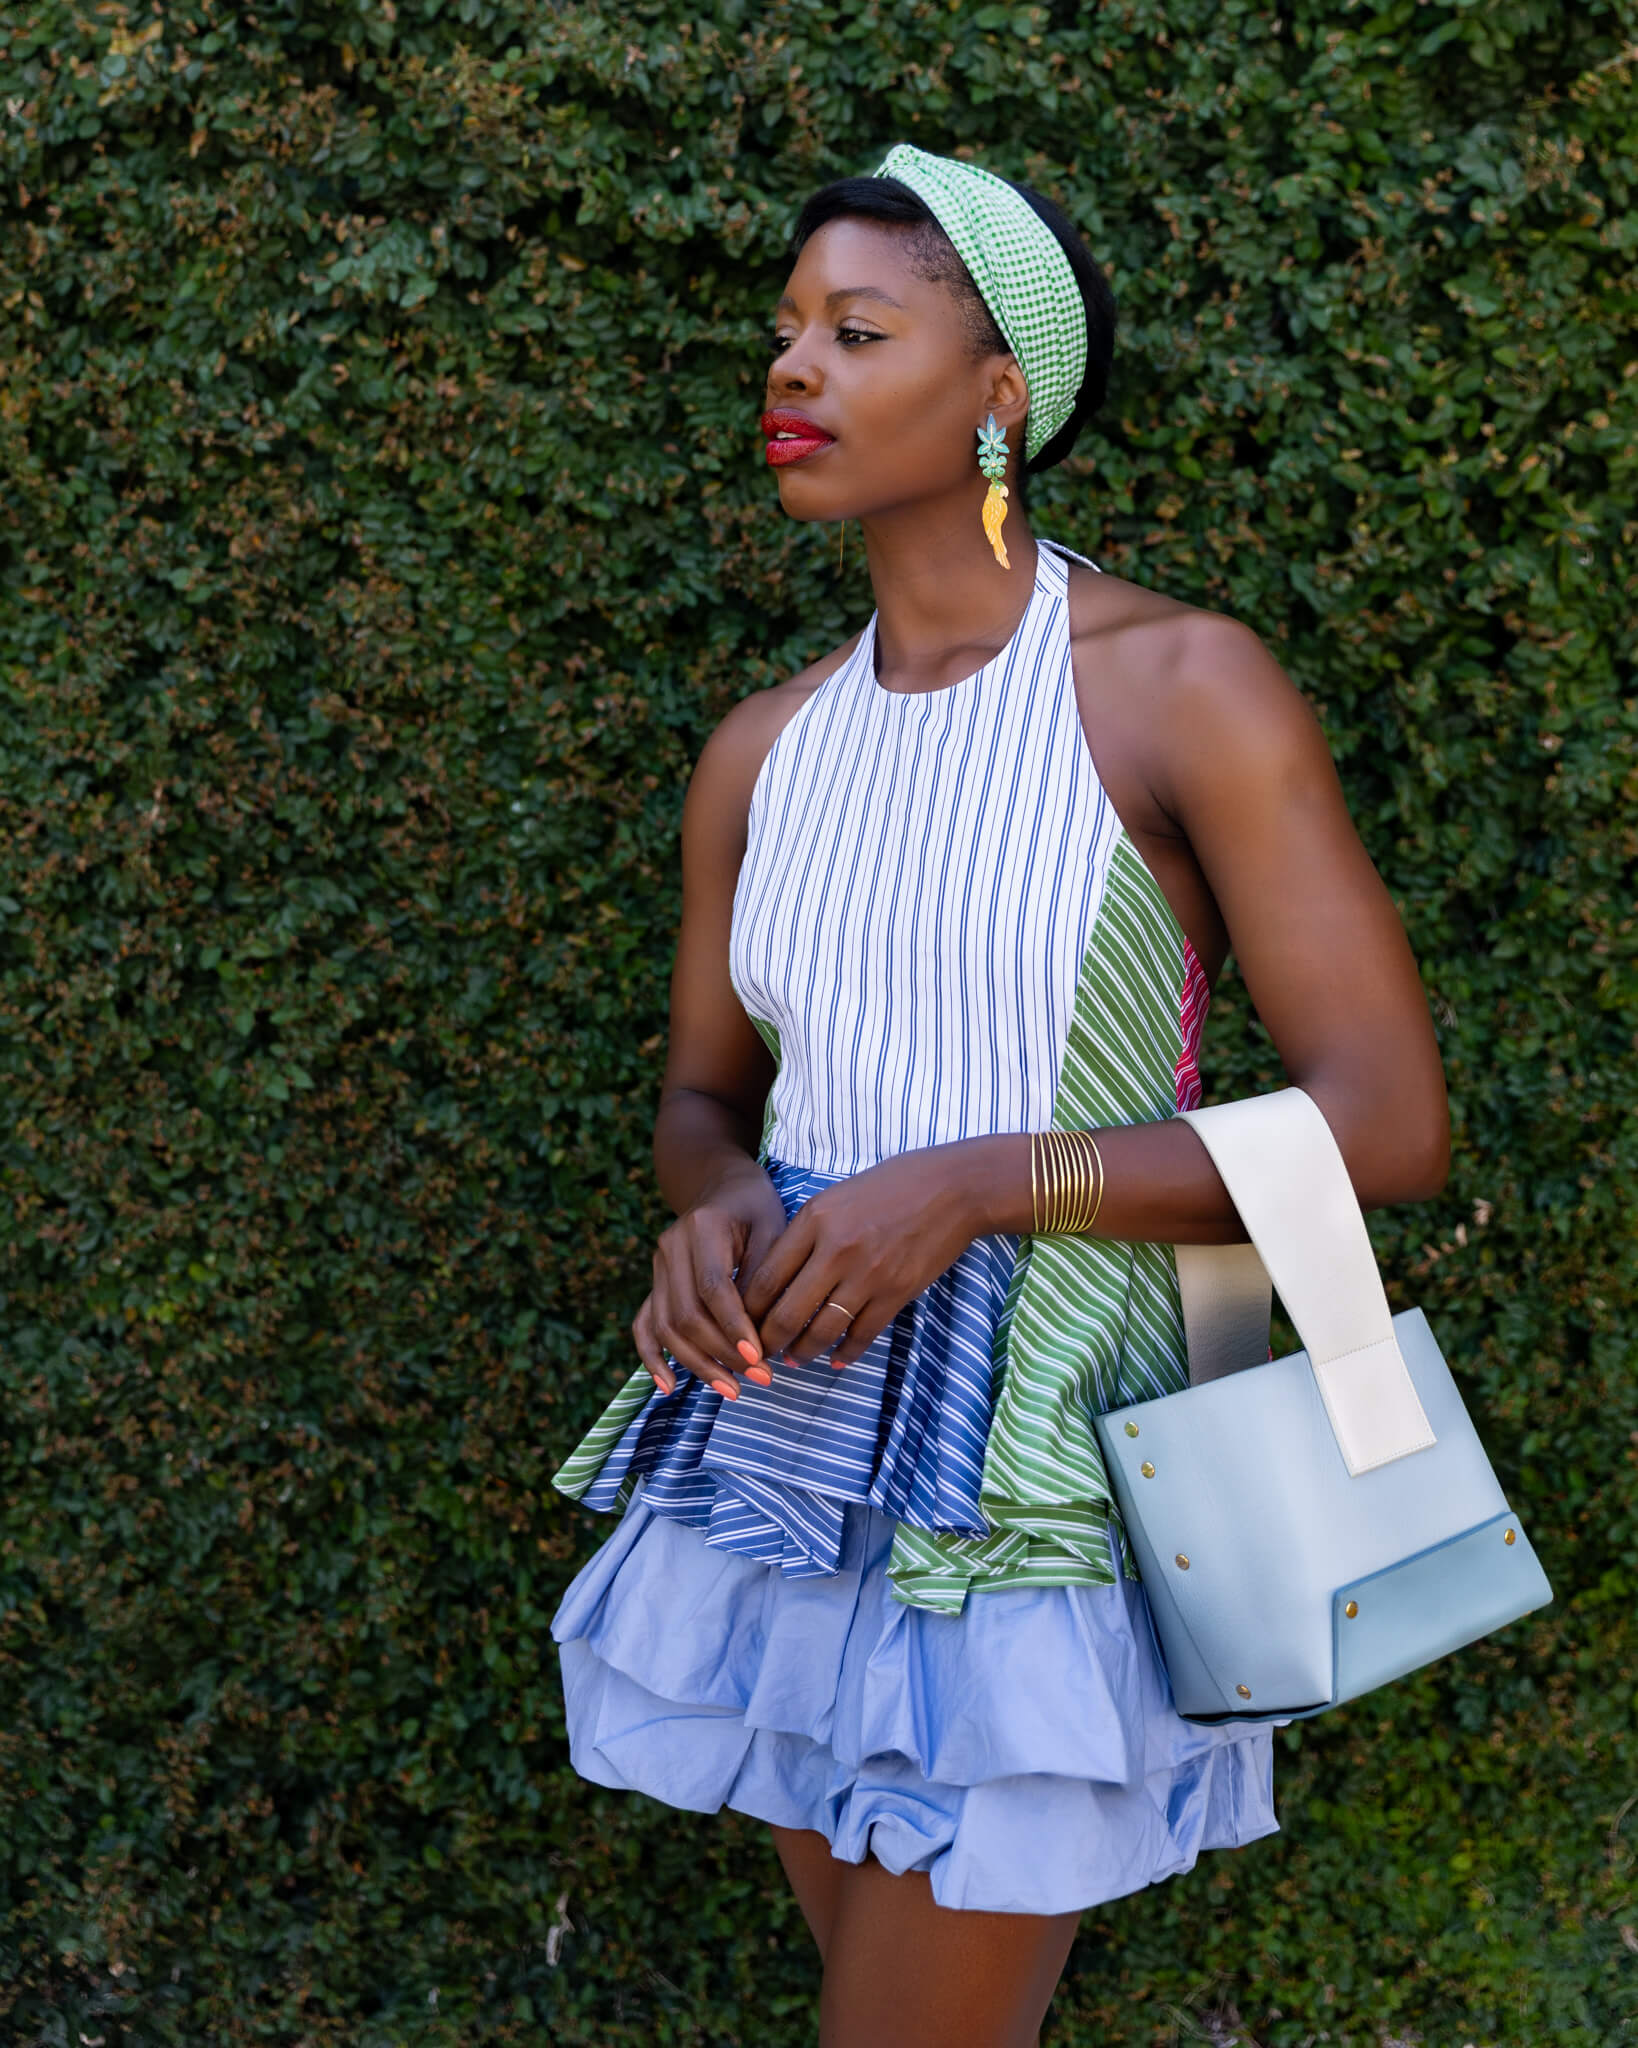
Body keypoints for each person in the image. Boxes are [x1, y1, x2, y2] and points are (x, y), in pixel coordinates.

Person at [549, 143, 1450, 2048]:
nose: (791, 367)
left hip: (1050, 1442)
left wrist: (979, 1182)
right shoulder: (761, 753)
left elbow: (1384, 1124)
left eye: (855, 331)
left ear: (1000, 396)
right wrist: (705, 1205)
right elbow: (703, 1100)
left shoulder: (1176, 684)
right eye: (785, 331)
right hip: (792, 1434)